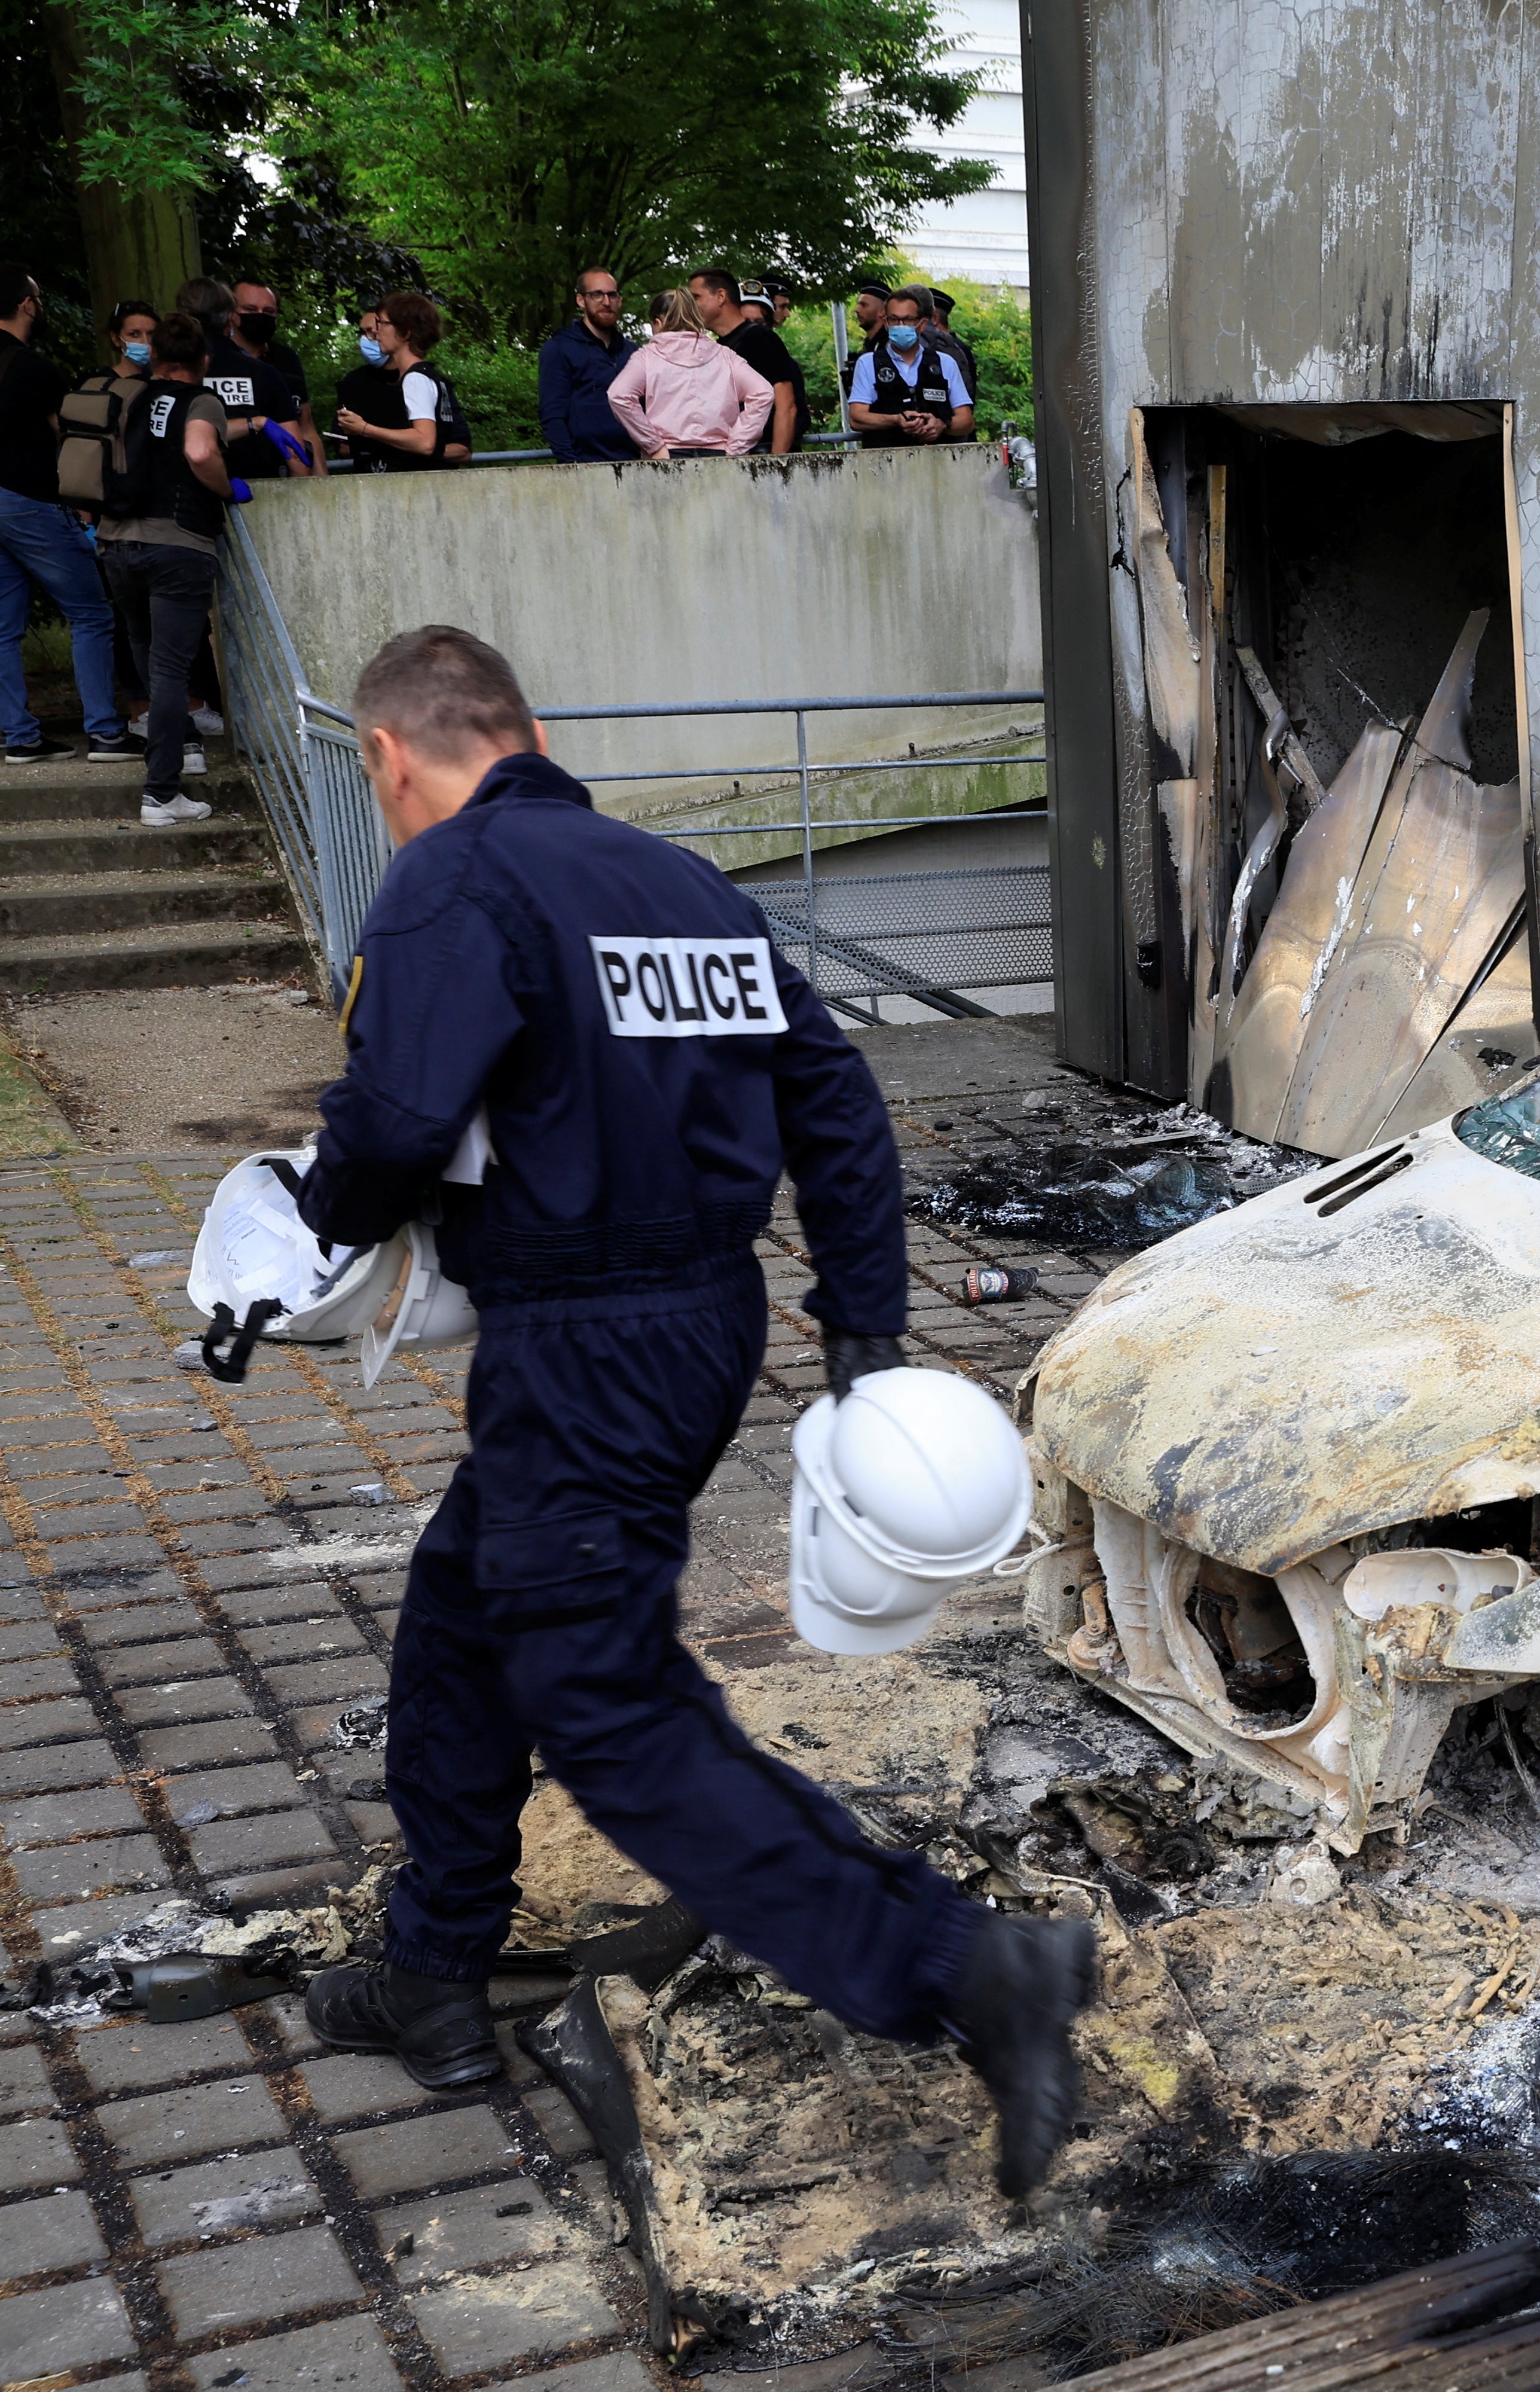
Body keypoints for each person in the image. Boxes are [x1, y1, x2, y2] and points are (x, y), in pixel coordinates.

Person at [290, 624, 1092, 2202]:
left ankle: (959, 1965)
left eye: (380, 782)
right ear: (524, 729)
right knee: (465, 1617)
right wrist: (862, 1323)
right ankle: (437, 1974)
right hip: (700, 1324)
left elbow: (390, 1125)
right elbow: (840, 1101)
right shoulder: (679, 887)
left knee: (609, 1708)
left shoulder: (453, 885)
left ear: (393, 757)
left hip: (584, 1343)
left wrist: (310, 1215)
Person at [92, 312, 231, 823]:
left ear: (155, 356)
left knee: (149, 663)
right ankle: (162, 792)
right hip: (177, 546)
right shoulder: (202, 400)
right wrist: (223, 485)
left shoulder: (127, 398)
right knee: (173, 671)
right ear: (204, 360)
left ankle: (184, 751)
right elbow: (198, 449)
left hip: (116, 545)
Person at [0, 264, 135, 766]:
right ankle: (105, 731)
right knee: (91, 613)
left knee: (2, 628)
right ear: (27, 305)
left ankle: (20, 737)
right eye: (36, 297)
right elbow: (72, 438)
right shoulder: (34, 368)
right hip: (28, 501)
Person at [607, 288, 774, 459]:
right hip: (719, 456)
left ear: (658, 323)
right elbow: (763, 393)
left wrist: (653, 445)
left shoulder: (646, 357)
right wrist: (736, 447)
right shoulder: (725, 356)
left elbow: (619, 395)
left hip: (666, 456)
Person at [333, 292, 463, 471]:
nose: (377, 331)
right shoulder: (428, 376)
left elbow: (425, 442)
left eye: (383, 323)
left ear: (406, 333)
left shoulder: (416, 379)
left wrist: (364, 428)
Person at [689, 270, 801, 457]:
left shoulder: (761, 338)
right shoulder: (715, 347)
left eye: (696, 297)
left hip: (761, 456)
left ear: (721, 297)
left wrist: (775, 463)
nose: (691, 306)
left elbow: (786, 406)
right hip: (732, 458)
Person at [844, 291, 970, 448]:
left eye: (909, 319)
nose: (901, 325)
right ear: (886, 323)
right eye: (894, 319)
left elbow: (967, 421)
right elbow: (857, 418)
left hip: (937, 464)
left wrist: (942, 425)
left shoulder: (945, 363)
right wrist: (896, 420)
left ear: (922, 324)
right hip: (886, 463)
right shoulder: (868, 363)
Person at [537, 270, 638, 463]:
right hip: (586, 467)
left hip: (636, 465)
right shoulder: (559, 349)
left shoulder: (634, 353)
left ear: (619, 300)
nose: (606, 302)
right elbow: (552, 416)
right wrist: (572, 468)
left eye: (612, 295)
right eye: (597, 295)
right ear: (581, 300)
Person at [225, 280, 325, 474]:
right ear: (232, 313)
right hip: (234, 481)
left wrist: (321, 485)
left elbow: (306, 427)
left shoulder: (287, 359)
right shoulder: (215, 360)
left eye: (269, 312)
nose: (260, 316)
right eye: (251, 309)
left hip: (283, 479)